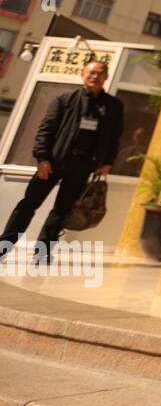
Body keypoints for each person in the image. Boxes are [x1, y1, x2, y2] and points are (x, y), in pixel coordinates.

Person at [0, 59, 123, 261]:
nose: (95, 76)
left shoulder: (113, 106)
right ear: (83, 74)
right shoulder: (65, 100)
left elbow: (114, 137)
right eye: (91, 72)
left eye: (100, 73)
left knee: (62, 211)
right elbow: (45, 130)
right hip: (53, 162)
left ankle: (42, 253)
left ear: (106, 77)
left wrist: (107, 162)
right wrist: (42, 158)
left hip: (82, 166)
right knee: (28, 205)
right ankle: (3, 247)